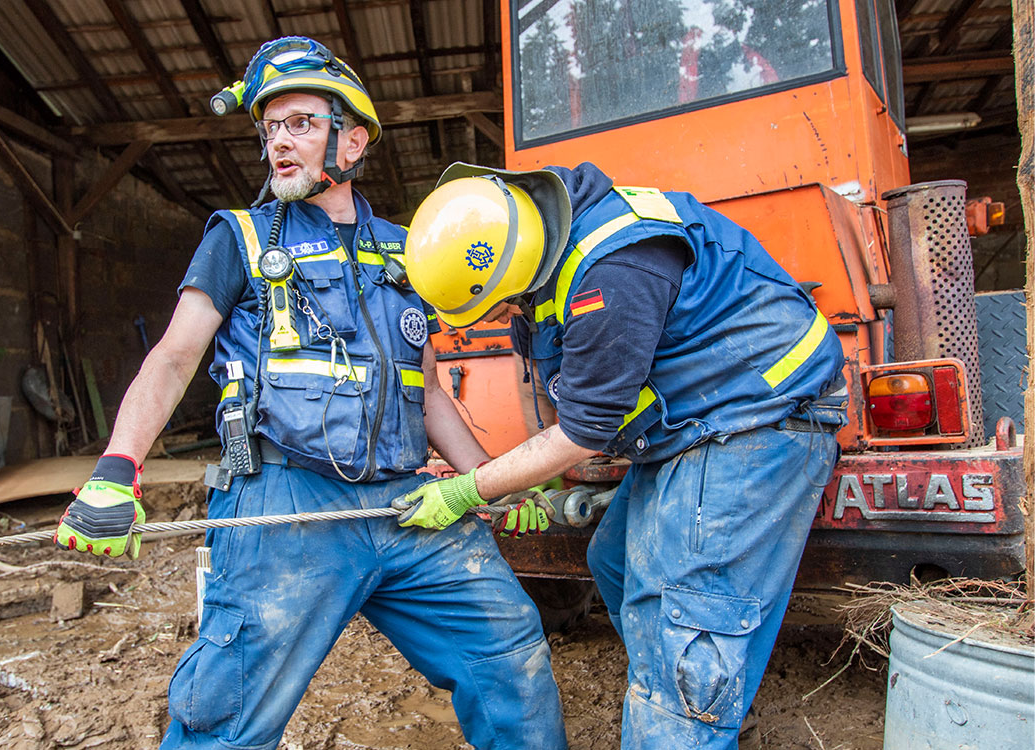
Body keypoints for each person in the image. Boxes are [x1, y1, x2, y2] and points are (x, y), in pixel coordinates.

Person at [54, 38, 568, 750]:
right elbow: (173, 358)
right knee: (226, 716)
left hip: (408, 505)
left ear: (351, 141)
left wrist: (487, 482)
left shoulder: (407, 249)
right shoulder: (237, 238)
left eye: (300, 123)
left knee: (509, 652)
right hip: (284, 507)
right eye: (270, 129)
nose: (279, 144)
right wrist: (118, 467)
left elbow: (424, 395)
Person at [398, 161, 847, 750]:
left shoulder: (613, 270)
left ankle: (682, 714)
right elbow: (571, 403)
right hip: (691, 422)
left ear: (513, 267)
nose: (499, 320)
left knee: (686, 612)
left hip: (753, 421)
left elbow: (583, 430)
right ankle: (689, 697)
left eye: (497, 308)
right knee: (614, 561)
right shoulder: (547, 248)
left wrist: (470, 488)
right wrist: (530, 484)